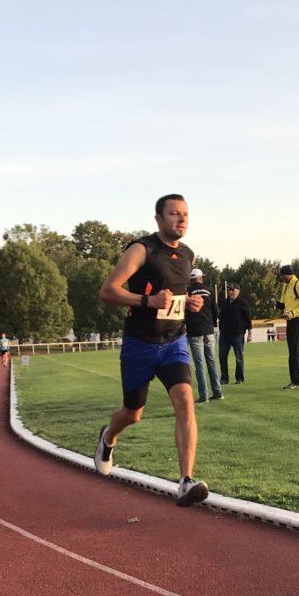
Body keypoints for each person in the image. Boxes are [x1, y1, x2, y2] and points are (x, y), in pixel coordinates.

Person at [94, 194, 210, 507]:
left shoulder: (188, 254)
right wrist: (148, 301)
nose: (181, 219)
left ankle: (185, 481)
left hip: (174, 342)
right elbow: (108, 291)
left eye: (185, 214)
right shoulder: (141, 249)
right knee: (133, 414)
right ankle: (108, 436)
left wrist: (189, 302)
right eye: (174, 214)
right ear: (159, 219)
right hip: (140, 344)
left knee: (185, 402)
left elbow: (174, 297)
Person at [185, 268, 224, 402]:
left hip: (194, 331)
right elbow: (216, 311)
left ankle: (204, 395)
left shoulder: (187, 292)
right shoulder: (209, 290)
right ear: (201, 278)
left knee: (199, 363)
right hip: (208, 330)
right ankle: (218, 392)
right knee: (211, 362)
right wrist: (210, 323)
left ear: (190, 279)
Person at [218, 282, 252, 385]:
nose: (230, 292)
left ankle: (239, 378)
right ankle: (224, 378)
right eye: (229, 290)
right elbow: (219, 316)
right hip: (224, 334)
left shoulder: (243, 303)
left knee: (239, 357)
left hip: (237, 334)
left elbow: (248, 319)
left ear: (238, 291)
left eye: (233, 290)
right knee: (222, 357)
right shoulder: (223, 303)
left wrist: (250, 334)